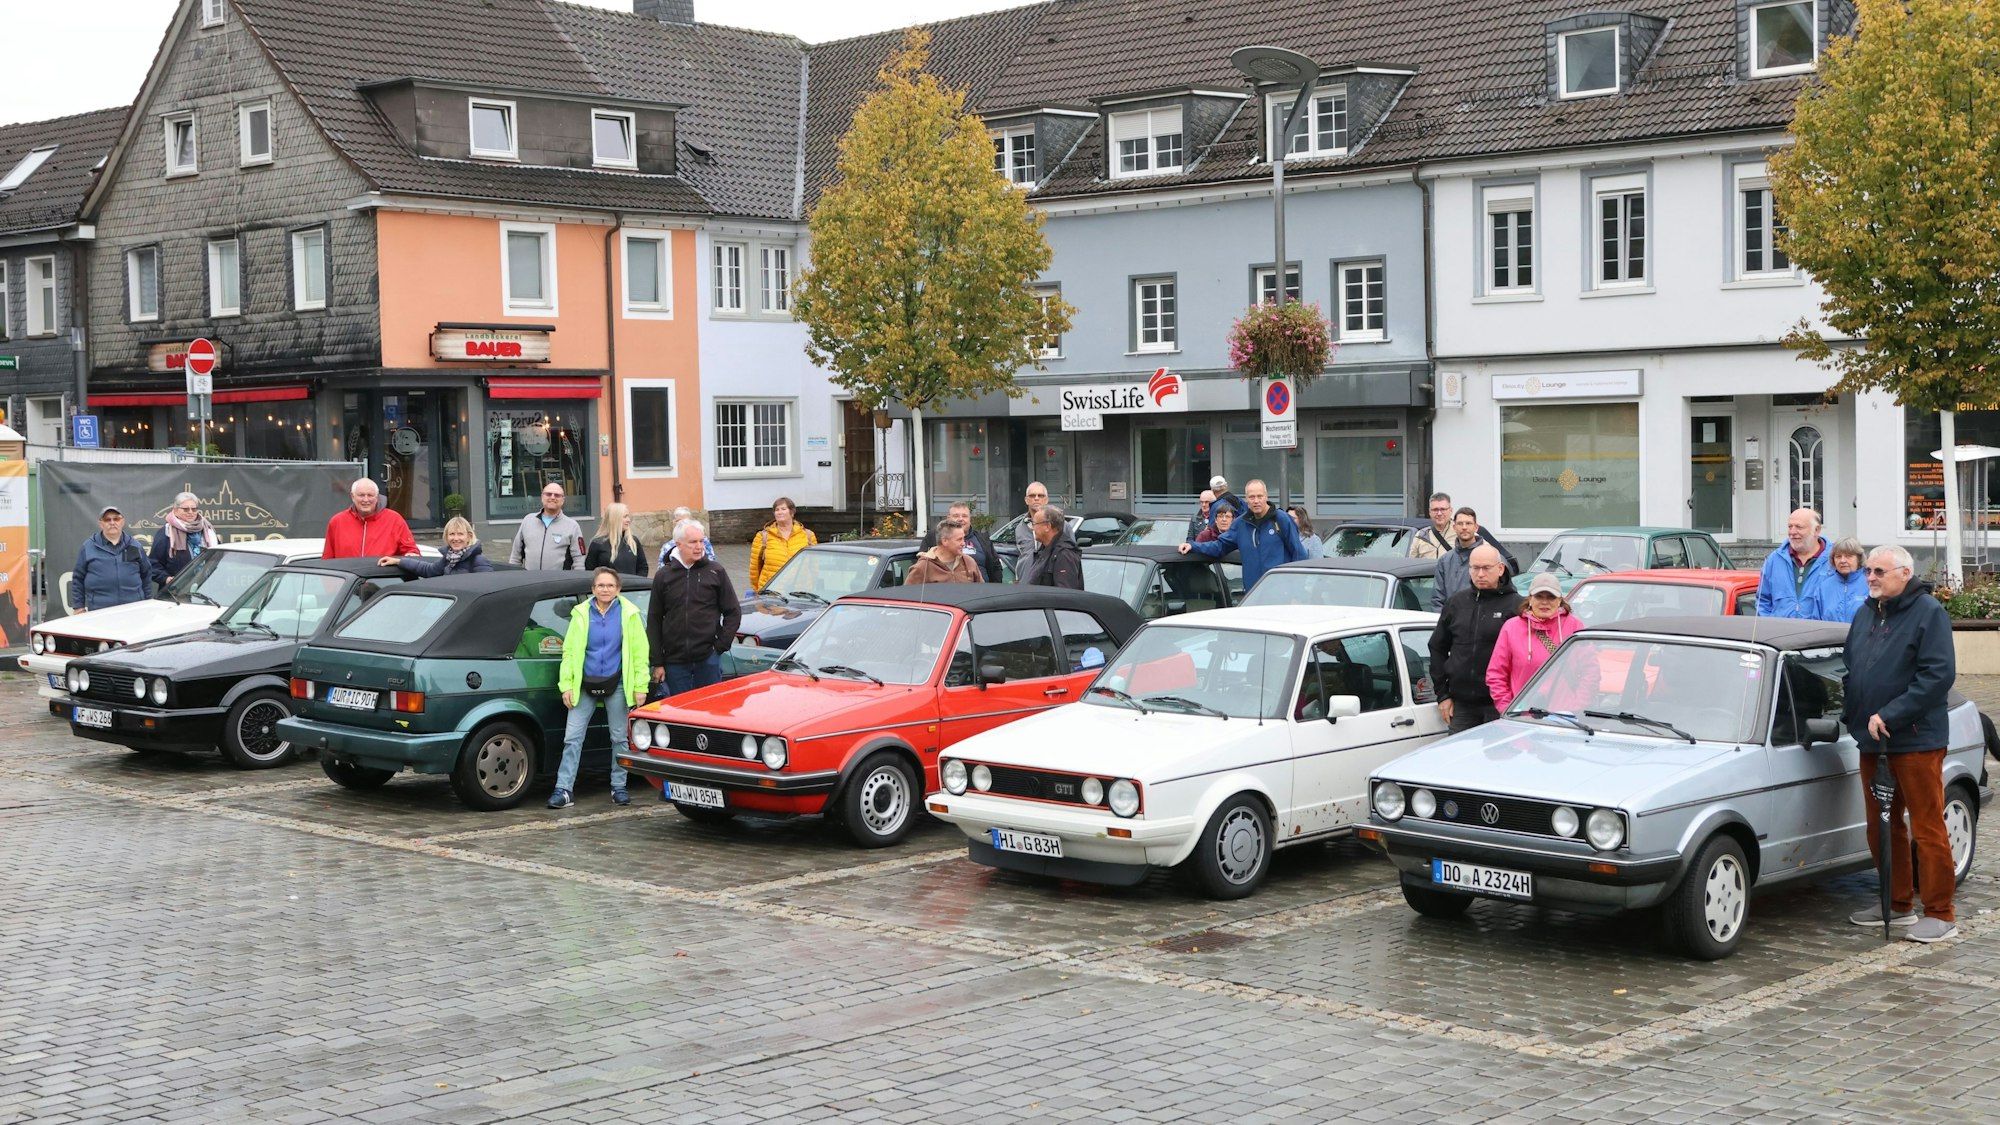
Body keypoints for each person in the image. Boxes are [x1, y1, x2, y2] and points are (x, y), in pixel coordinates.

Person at [1842, 544, 1957, 943]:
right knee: (1881, 827)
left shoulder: (1929, 614)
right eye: (1868, 571)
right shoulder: (1865, 613)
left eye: (1879, 571)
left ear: (1904, 574)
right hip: (1872, 741)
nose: (1870, 577)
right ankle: (1897, 902)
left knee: (1927, 827)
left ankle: (1940, 911)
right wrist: (1852, 713)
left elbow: (1937, 676)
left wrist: (1890, 714)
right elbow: (1851, 668)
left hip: (1916, 740)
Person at [549, 567, 651, 810]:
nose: (605, 590)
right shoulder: (581, 614)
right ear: (593, 589)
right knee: (572, 738)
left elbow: (640, 653)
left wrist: (640, 686)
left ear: (618, 589)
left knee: (619, 737)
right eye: (600, 586)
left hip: (617, 683)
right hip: (584, 683)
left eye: (610, 585)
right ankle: (563, 789)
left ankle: (619, 787)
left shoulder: (630, 614)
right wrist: (566, 685)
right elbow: (570, 652)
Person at [1429, 544, 1524, 732]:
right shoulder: (1457, 602)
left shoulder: (1516, 606)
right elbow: (1437, 647)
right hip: (1462, 705)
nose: (1480, 574)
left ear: (1500, 569)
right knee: (1459, 759)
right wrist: (1443, 695)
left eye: (1486, 568)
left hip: (1501, 705)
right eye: (1475, 568)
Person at [647, 519, 741, 701]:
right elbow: (654, 620)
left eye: (701, 541)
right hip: (674, 662)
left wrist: (719, 646)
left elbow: (733, 612)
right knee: (679, 713)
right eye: (693, 542)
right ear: (678, 544)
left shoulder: (716, 571)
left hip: (708, 658)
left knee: (710, 710)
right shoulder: (663, 576)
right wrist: (657, 661)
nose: (699, 546)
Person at [1182, 479, 1306, 590]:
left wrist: (1296, 591)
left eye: (1260, 496)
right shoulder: (1241, 524)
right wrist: (1193, 546)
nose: (1256, 501)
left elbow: (1299, 554)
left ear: (1266, 496)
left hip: (1281, 592)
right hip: (1253, 594)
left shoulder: (1282, 519)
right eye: (1252, 497)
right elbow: (1219, 546)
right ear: (1246, 499)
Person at [1485, 572, 1583, 712]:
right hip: (1523, 716)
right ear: (1530, 599)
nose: (1545, 602)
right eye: (1539, 596)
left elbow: (1590, 672)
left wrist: (1578, 707)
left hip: (1566, 717)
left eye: (1551, 597)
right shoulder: (1511, 627)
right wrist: (1507, 709)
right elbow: (1496, 674)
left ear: (1560, 600)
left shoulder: (1575, 626)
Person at [70, 506, 153, 613]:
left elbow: (146, 575)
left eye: (116, 519)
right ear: (101, 523)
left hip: (133, 609)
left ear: (122, 522)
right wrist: (78, 606)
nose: (112, 522)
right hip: (99, 610)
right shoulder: (88, 546)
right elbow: (78, 578)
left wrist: (147, 602)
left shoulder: (134, 546)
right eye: (107, 520)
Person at [1431, 507, 1518, 610]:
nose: (1464, 527)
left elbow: (1508, 594)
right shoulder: (1444, 561)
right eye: (1460, 523)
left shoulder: (1494, 557)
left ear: (1476, 527)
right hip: (1453, 623)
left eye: (1468, 523)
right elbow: (1437, 600)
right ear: (1454, 527)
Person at [1756, 507, 1830, 618]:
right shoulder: (1774, 560)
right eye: (1790, 527)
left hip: (1817, 633)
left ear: (1817, 530)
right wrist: (1769, 626)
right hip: (1781, 633)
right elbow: (1763, 600)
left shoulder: (1834, 560)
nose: (1792, 532)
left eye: (1799, 527)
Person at [324, 478, 417, 560]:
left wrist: (411, 556)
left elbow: (412, 552)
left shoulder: (394, 520)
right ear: (353, 497)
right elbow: (327, 560)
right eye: (361, 495)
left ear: (377, 497)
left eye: (370, 495)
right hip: (348, 579)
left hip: (382, 579)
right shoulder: (337, 522)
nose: (366, 500)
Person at [920, 501, 1003, 582]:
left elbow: (996, 567)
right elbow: (922, 563)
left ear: (970, 518)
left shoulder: (983, 539)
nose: (960, 519)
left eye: (964, 516)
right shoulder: (934, 536)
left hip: (982, 592)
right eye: (956, 516)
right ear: (948, 518)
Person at [384, 516, 492, 576]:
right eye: (452, 534)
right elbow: (427, 570)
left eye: (460, 534)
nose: (455, 538)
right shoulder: (448, 559)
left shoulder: (478, 560)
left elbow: (485, 590)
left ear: (469, 536)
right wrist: (399, 561)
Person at [750, 497, 817, 592]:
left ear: (792, 512)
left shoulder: (808, 535)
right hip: (771, 591)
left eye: (783, 509)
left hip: (801, 591)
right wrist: (757, 591)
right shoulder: (762, 536)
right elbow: (754, 568)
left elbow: (814, 566)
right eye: (777, 510)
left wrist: (812, 588)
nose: (779, 512)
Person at [510, 483, 583, 571]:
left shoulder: (573, 526)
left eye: (557, 495)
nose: (552, 497)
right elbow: (515, 556)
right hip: (530, 581)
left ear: (563, 500)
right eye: (548, 494)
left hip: (558, 582)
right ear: (542, 497)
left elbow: (579, 560)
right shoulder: (528, 521)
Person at [150, 491, 217, 580]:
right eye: (186, 509)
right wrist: (166, 579)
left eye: (194, 509)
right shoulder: (166, 532)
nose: (190, 512)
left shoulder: (207, 530)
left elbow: (217, 558)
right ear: (175, 510)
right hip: (178, 590)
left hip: (207, 586)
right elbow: (153, 564)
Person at [1804, 537, 1870, 624]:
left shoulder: (1870, 584)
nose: (1842, 561)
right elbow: (1816, 622)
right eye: (1838, 556)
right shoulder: (1824, 587)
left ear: (1859, 558)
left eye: (1848, 556)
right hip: (1830, 637)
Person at [1022, 504, 1083, 589]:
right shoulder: (1043, 551)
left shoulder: (1064, 554)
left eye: (1034, 524)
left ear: (1047, 526)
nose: (1032, 528)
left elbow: (1066, 594)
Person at [907, 519, 984, 584]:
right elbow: (907, 598)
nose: (963, 543)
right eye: (959, 539)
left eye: (963, 539)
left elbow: (981, 593)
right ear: (945, 541)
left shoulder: (969, 562)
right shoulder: (923, 567)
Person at [585, 503, 649, 577]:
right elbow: (590, 572)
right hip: (608, 588)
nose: (628, 520)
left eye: (628, 516)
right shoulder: (597, 543)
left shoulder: (633, 541)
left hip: (631, 587)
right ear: (614, 519)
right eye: (625, 517)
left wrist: (636, 584)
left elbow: (643, 567)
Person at [1410, 493, 1457, 560]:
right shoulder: (1421, 536)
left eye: (1443, 509)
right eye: (1435, 510)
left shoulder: (1461, 533)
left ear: (1451, 510)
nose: (1439, 513)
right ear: (1430, 512)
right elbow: (1412, 564)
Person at [1014, 481, 1051, 560]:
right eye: (1032, 495)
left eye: (1040, 495)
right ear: (1026, 500)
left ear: (1046, 500)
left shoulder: (1059, 525)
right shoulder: (1020, 529)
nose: (1036, 498)